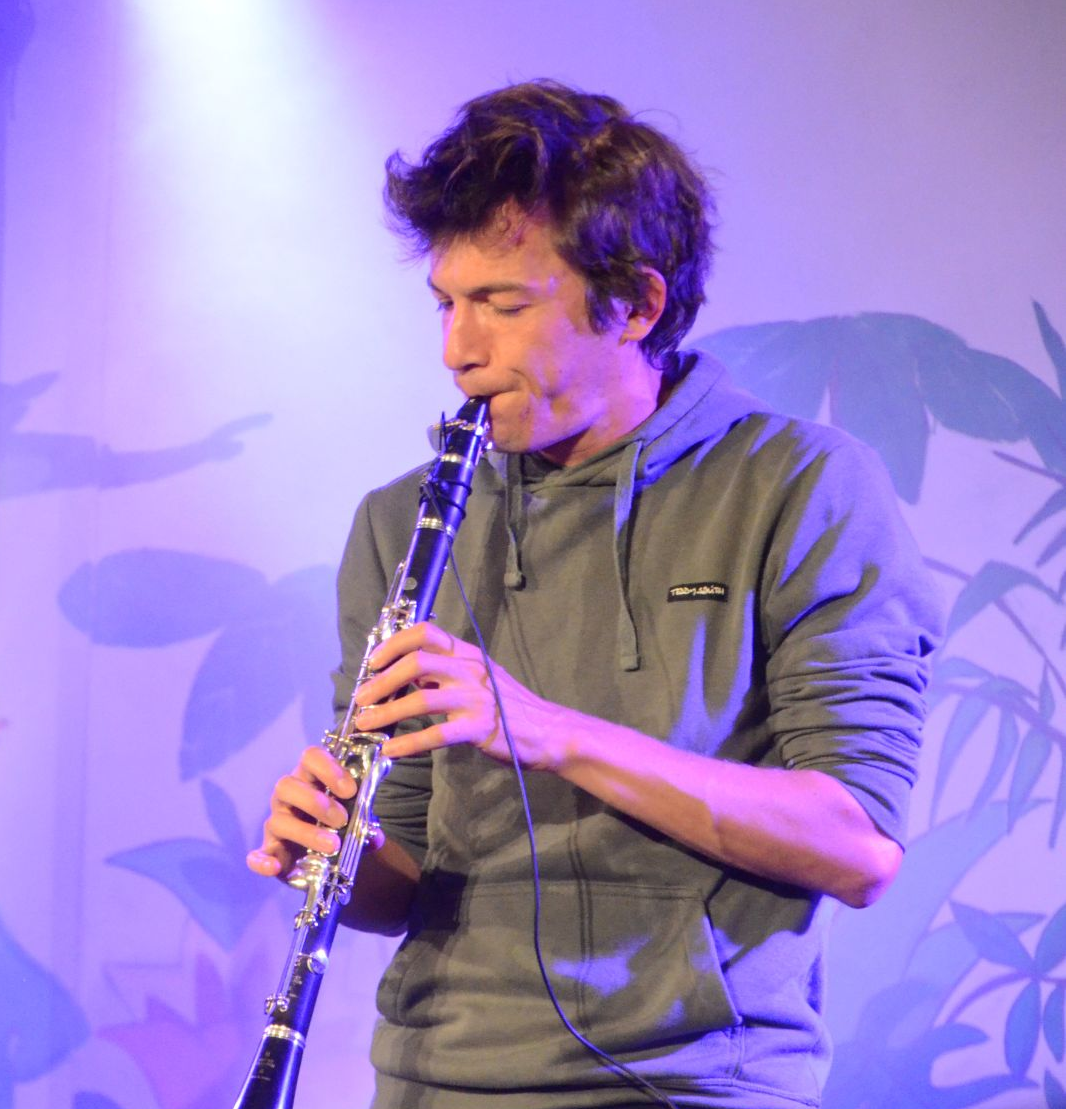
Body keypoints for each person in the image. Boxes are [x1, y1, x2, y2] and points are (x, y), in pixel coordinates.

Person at [247, 80, 939, 1108]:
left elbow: (855, 846)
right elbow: (405, 877)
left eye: (503, 304)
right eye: (446, 302)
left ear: (636, 305)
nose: (457, 349)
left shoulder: (802, 486)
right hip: (432, 1081)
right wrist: (340, 849)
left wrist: (545, 730)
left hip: (691, 1084)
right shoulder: (400, 522)